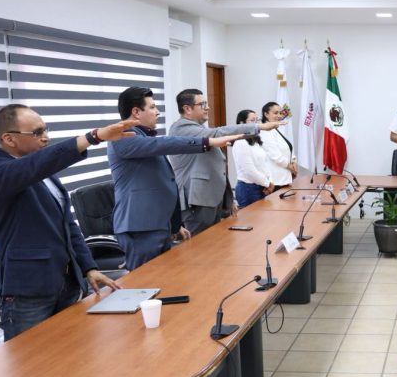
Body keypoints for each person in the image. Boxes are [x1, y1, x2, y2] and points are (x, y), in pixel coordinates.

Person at [0, 104, 138, 377]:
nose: (46, 137)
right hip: (27, 292)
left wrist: (89, 266)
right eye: (37, 132)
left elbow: (68, 225)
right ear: (8, 139)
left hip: (64, 284)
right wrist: (93, 137)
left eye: (46, 129)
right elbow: (32, 168)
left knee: (64, 373)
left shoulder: (43, 173)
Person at [109, 87, 244, 270]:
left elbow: (164, 182)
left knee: (165, 279)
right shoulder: (121, 136)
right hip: (141, 228)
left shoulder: (145, 138)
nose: (158, 112)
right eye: (152, 107)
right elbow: (165, 143)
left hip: (158, 226)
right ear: (136, 112)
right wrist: (207, 141)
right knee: (146, 282)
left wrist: (174, 225)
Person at [168, 89, 282, 235]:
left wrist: (228, 200)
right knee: (200, 245)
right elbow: (218, 132)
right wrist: (258, 126)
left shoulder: (200, 129)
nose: (208, 107)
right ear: (187, 109)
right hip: (197, 200)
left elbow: (216, 167)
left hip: (212, 199)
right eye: (203, 104)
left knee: (216, 243)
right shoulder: (181, 128)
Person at [232, 109, 273, 208]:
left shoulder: (255, 141)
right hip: (248, 189)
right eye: (252, 120)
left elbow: (264, 164)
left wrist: (268, 181)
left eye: (257, 120)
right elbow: (249, 171)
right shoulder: (240, 142)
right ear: (242, 123)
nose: (256, 123)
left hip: (261, 186)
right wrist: (267, 183)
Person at [259, 101, 297, 189]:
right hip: (275, 180)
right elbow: (275, 155)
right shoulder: (264, 131)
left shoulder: (279, 129)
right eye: (275, 113)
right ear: (266, 114)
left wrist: (294, 161)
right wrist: (291, 167)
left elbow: (289, 148)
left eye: (280, 113)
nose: (279, 116)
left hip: (285, 178)